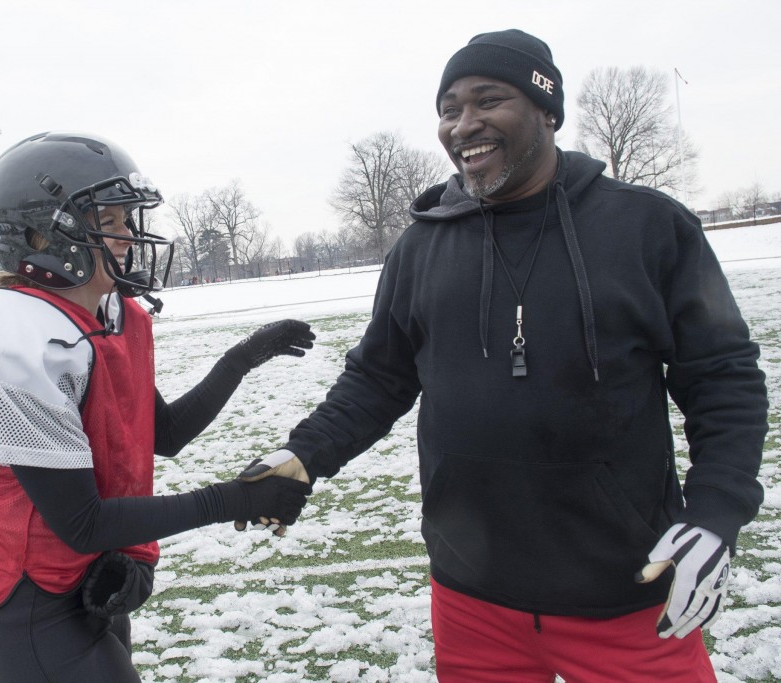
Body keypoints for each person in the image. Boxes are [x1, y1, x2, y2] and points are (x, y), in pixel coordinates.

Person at [236, 29, 768, 682]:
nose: (465, 124)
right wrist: (305, 453)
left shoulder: (648, 227)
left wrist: (715, 514)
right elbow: (378, 378)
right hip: (472, 600)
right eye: (450, 108)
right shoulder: (421, 247)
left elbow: (724, 380)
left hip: (627, 592)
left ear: (547, 110)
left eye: (488, 100)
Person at [0, 131, 314, 682]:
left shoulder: (109, 317)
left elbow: (164, 433)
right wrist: (231, 500)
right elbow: (81, 521)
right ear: (42, 234)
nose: (130, 237)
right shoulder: (14, 334)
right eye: (113, 220)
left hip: (95, 574)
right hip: (28, 593)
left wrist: (239, 360)